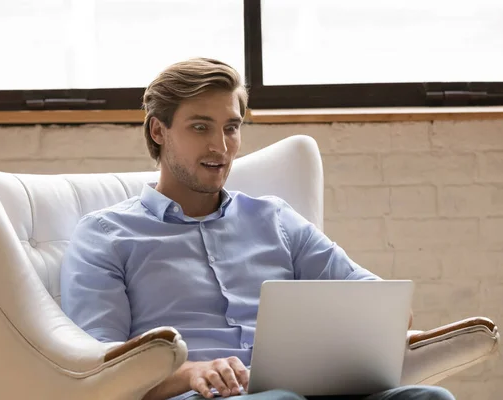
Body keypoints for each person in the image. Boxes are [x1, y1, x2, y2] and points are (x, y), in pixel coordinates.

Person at [60, 58, 454, 400]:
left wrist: (374, 327)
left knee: (429, 398)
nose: (221, 146)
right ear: (158, 132)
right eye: (200, 127)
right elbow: (101, 373)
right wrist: (189, 373)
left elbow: (384, 305)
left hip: (306, 393)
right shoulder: (106, 236)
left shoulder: (276, 220)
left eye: (231, 128)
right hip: (196, 398)